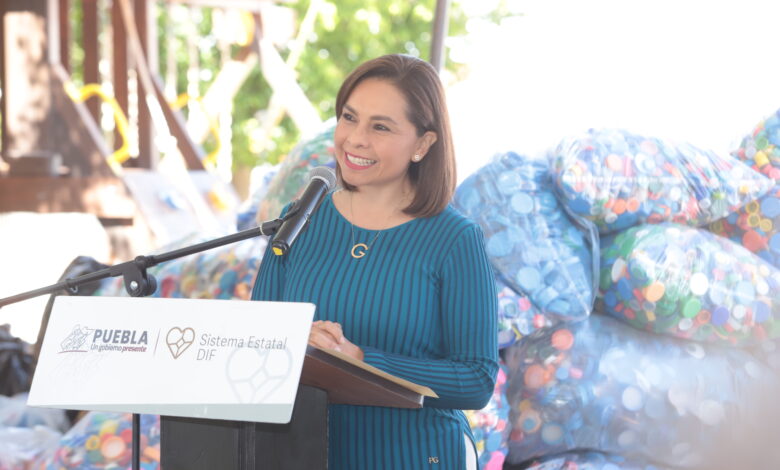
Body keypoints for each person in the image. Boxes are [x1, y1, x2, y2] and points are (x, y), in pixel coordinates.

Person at [252, 54, 498, 470]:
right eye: (349, 118)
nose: (355, 138)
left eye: (380, 126)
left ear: (423, 144)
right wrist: (294, 340)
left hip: (413, 457)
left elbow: (476, 380)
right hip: (303, 455)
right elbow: (256, 337)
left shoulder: (455, 239)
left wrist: (361, 360)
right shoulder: (301, 218)